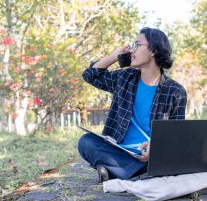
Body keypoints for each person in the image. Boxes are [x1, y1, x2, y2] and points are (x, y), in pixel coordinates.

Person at [78, 27, 187, 182]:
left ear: (153, 50)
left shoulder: (175, 91)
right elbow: (90, 75)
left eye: (137, 45)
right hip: (120, 151)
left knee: (176, 156)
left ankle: (117, 171)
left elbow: (177, 133)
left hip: (151, 155)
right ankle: (136, 172)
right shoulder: (125, 78)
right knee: (86, 142)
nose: (132, 51)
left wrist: (156, 146)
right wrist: (114, 56)